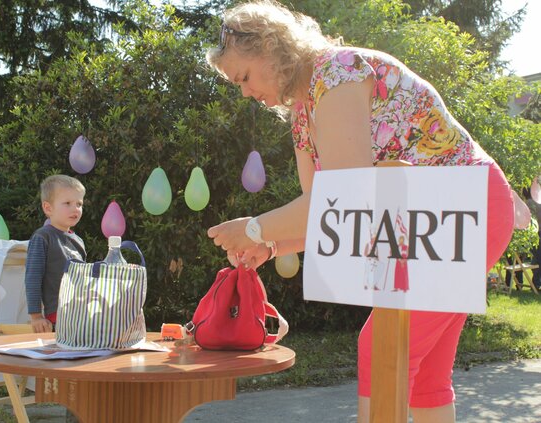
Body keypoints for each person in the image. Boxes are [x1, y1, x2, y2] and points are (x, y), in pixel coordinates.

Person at [204, 1, 515, 422]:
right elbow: (337, 219)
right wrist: (273, 244)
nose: (244, 91)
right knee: (422, 372)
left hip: (464, 209)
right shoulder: (303, 111)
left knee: (384, 349)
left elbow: (346, 199)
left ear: (270, 46)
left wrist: (256, 229)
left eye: (243, 76)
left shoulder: (338, 70)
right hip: (430, 222)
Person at [25, 174, 87, 333]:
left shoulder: (78, 241)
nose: (75, 209)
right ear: (48, 208)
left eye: (79, 204)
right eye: (67, 203)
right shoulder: (42, 237)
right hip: (58, 316)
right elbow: (33, 277)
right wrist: (36, 316)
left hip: (83, 314)